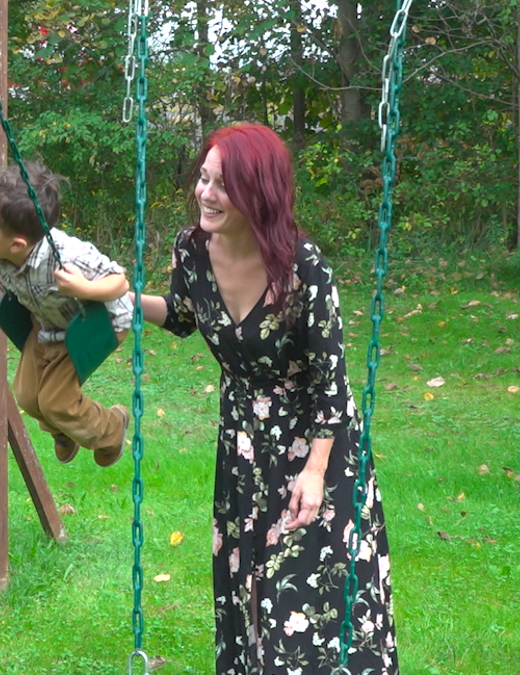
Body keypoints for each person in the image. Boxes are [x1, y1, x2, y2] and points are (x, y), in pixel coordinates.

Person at [137, 123, 398, 673]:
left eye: (222, 185)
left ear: (257, 193)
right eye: (203, 180)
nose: (206, 194)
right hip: (243, 448)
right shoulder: (192, 252)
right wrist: (123, 299)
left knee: (306, 605)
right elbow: (184, 316)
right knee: (249, 593)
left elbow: (332, 378)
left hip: (315, 444)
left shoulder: (302, 267)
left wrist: (315, 469)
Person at [0, 162, 133, 467]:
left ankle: (112, 428)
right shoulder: (0, 246)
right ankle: (62, 430)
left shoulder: (68, 255)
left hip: (96, 323)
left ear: (17, 243)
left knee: (56, 402)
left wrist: (85, 289)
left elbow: (120, 282)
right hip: (48, 324)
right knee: (26, 396)